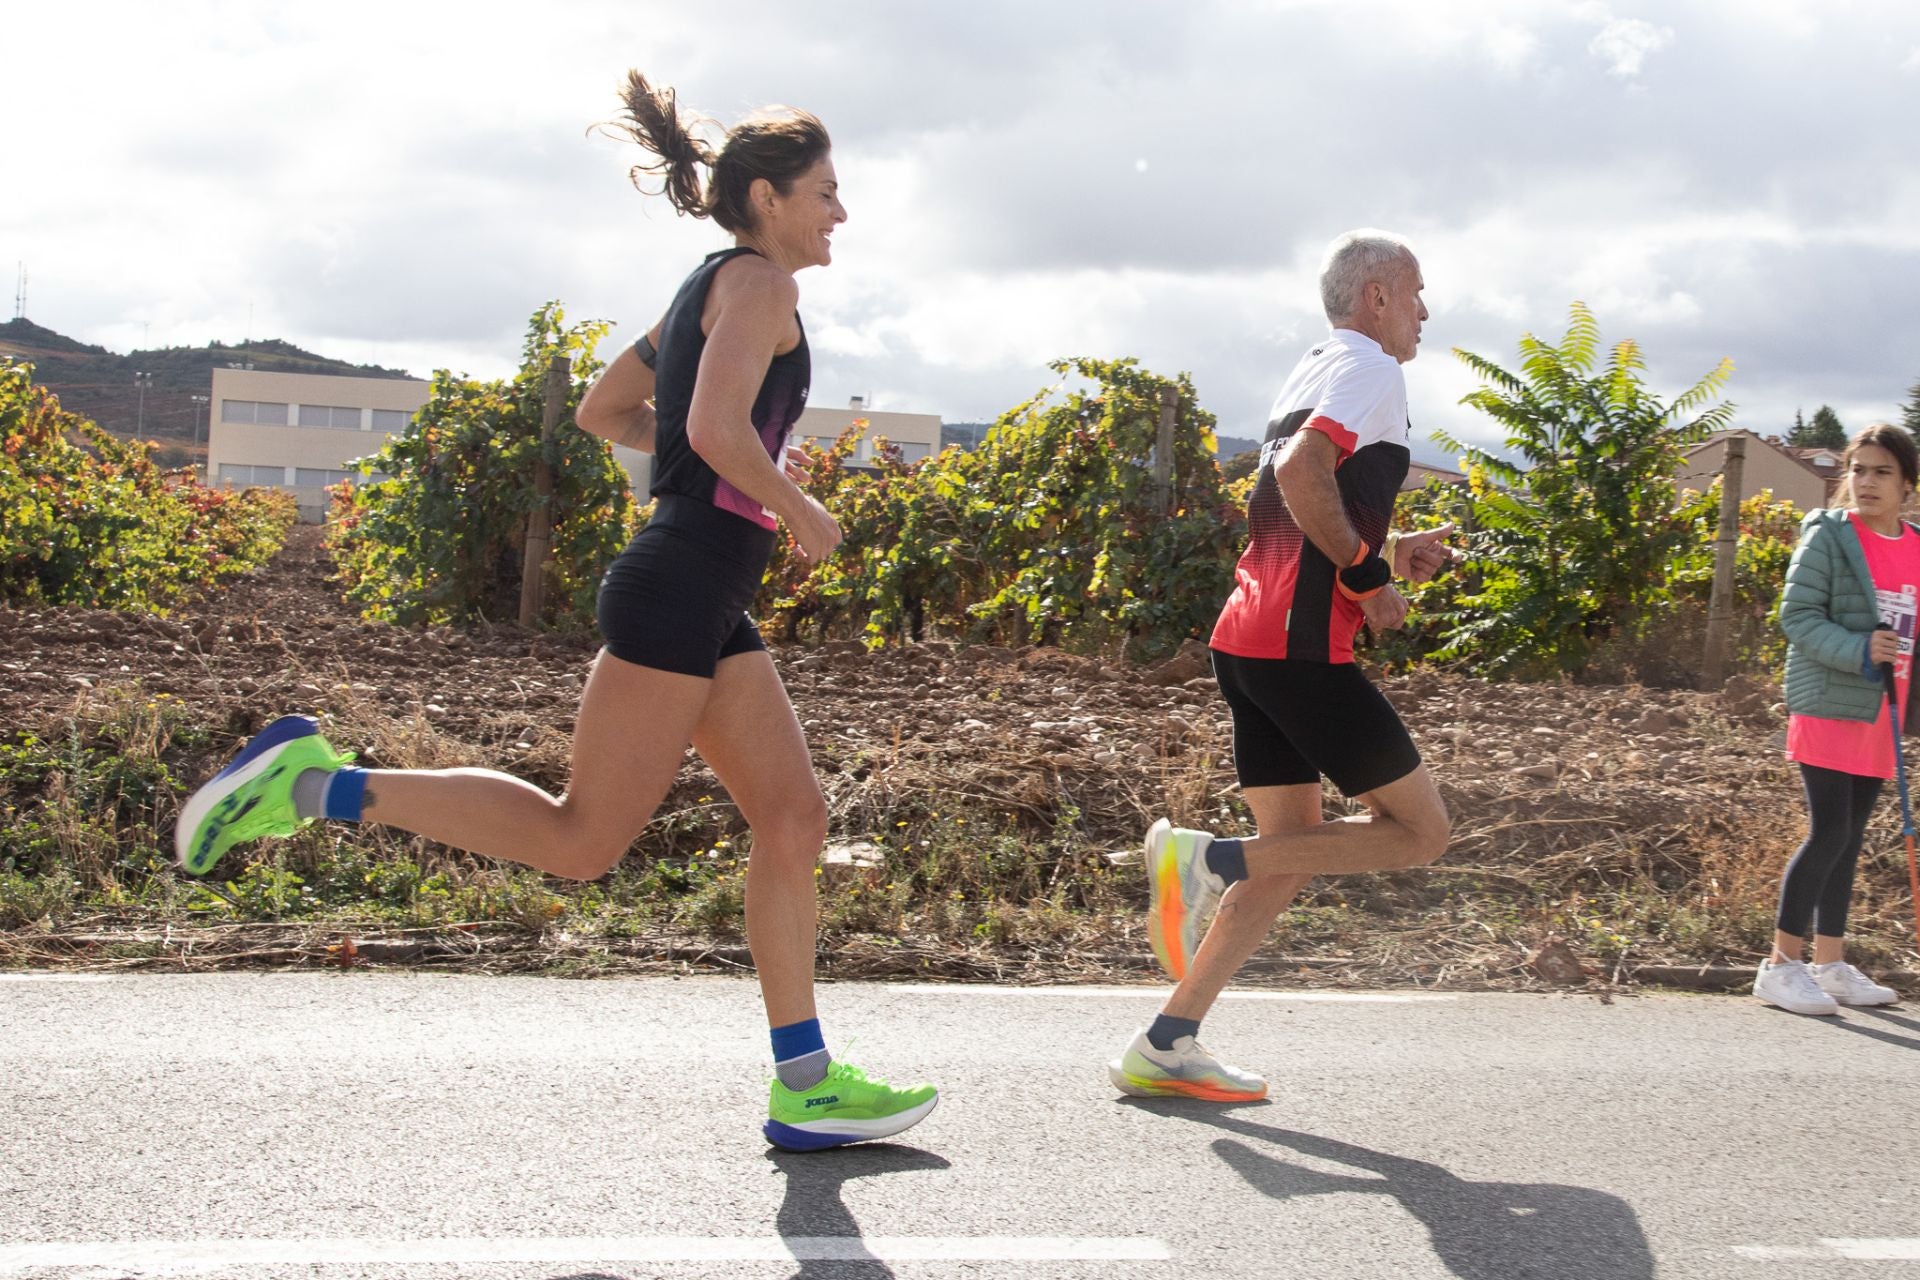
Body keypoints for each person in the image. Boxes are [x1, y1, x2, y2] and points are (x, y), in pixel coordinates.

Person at [173, 69, 938, 1150]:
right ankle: (312, 783)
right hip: (685, 577)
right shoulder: (763, 285)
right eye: (824, 190)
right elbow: (717, 432)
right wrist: (792, 500)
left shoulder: (705, 286)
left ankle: (805, 1079)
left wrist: (715, 461)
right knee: (582, 839)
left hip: (701, 582)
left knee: (794, 816)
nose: (840, 211)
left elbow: (605, 410)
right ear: (766, 196)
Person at [1111, 229, 1455, 1101]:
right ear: (1376, 296)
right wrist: (1370, 576)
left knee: (1294, 851)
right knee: (1422, 834)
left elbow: (1286, 494)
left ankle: (1168, 1040)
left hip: (1249, 637)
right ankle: (1205, 859)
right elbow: (1306, 471)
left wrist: (1390, 541)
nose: (1425, 310)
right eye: (1416, 292)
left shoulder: (1316, 365)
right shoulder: (1375, 368)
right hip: (1300, 648)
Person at [1758, 423, 1913, 1014]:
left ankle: (1830, 964)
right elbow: (1797, 617)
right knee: (1829, 832)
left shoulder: (1916, 544)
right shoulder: (1829, 537)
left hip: (1884, 712)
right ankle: (1780, 965)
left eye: (1882, 472)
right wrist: (1857, 649)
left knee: (1849, 841)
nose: (1866, 482)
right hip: (1828, 702)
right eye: (1858, 469)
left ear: (1907, 485)